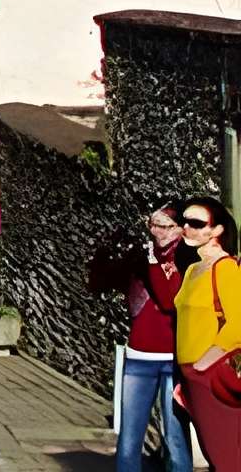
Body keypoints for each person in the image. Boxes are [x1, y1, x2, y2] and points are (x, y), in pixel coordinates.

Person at [93, 202, 191, 472]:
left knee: (175, 437)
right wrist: (108, 252)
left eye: (163, 226)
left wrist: (154, 261)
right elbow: (102, 281)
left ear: (179, 229)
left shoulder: (185, 258)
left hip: (173, 355)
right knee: (129, 437)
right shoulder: (141, 256)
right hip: (139, 355)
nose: (156, 231)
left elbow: (169, 298)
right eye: (152, 224)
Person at [179, 197, 241, 465]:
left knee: (225, 458)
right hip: (191, 375)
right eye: (184, 221)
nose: (186, 228)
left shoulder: (225, 268)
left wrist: (202, 366)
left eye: (196, 223)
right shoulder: (193, 268)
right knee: (213, 455)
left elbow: (238, 324)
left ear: (216, 231)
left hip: (210, 374)